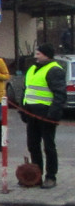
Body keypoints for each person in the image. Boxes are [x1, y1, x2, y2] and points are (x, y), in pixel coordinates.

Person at [20, 44, 65, 189]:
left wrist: (53, 116)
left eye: (38, 53)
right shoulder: (33, 69)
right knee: (33, 145)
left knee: (49, 147)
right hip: (31, 113)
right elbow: (26, 90)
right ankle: (36, 175)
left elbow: (59, 96)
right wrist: (23, 109)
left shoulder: (55, 70)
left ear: (47, 55)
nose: (36, 56)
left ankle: (51, 176)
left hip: (46, 114)